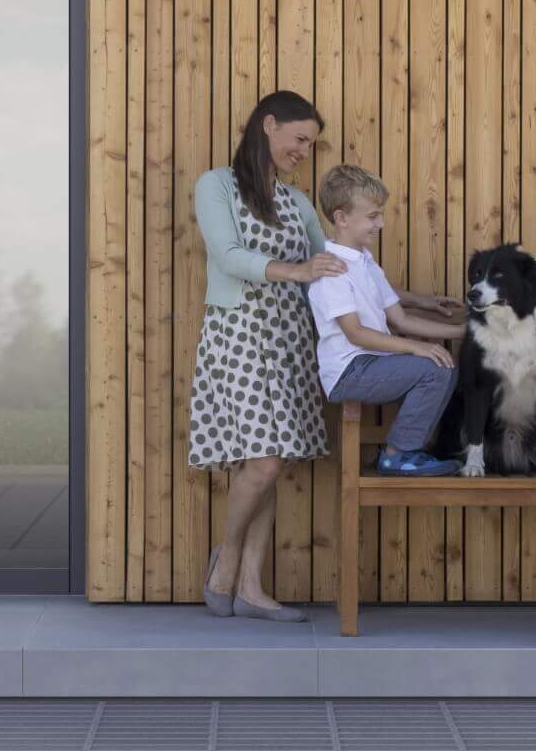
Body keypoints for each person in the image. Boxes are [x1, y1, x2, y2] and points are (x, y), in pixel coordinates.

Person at [188, 93, 457, 622]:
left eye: (310, 143)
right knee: (262, 461)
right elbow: (228, 255)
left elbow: (341, 266)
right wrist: (295, 272)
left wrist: (415, 300)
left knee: (274, 458)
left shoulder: (295, 201)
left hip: (292, 337)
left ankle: (250, 585)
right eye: (300, 139)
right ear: (269, 126)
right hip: (240, 332)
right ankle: (226, 561)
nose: (304, 151)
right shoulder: (216, 185)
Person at [305, 166, 464, 479]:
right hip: (350, 371)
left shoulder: (365, 261)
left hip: (372, 363)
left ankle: (407, 450)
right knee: (435, 369)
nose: (381, 223)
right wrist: (417, 348)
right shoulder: (332, 269)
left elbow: (400, 317)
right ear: (341, 218)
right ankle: (398, 455)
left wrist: (461, 332)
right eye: (373, 216)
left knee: (442, 365)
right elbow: (356, 334)